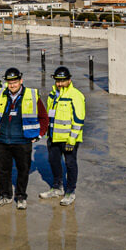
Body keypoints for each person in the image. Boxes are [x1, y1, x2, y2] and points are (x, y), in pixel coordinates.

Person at [0, 68, 47, 209]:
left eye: (15, 82)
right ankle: (5, 196)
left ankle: (21, 196)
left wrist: (39, 134)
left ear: (21, 81)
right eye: (10, 82)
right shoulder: (0, 94)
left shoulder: (32, 95)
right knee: (3, 170)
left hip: (23, 141)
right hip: (2, 140)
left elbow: (44, 117)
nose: (12, 85)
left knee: (23, 170)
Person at [41, 66, 86, 206]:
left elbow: (79, 118)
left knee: (70, 164)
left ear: (69, 80)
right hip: (54, 137)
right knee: (54, 161)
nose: (59, 84)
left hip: (68, 138)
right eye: (57, 81)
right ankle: (57, 188)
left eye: (62, 81)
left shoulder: (75, 95)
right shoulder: (52, 95)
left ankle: (70, 191)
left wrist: (72, 138)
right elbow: (49, 114)